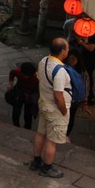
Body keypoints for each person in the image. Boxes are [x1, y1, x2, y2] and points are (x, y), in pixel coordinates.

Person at [30, 37, 71, 178]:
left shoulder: (43, 61)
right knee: (52, 139)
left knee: (41, 133)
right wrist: (64, 111)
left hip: (44, 104)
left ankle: (36, 161)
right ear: (62, 51)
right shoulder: (59, 71)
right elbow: (58, 95)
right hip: (55, 109)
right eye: (67, 48)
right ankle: (47, 167)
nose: (68, 50)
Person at [7, 61, 39, 130]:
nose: (26, 77)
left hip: (30, 96)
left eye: (27, 76)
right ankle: (16, 126)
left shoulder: (38, 78)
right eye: (24, 75)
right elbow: (12, 73)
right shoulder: (18, 72)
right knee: (16, 112)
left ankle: (27, 128)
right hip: (19, 93)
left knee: (28, 115)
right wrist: (10, 83)